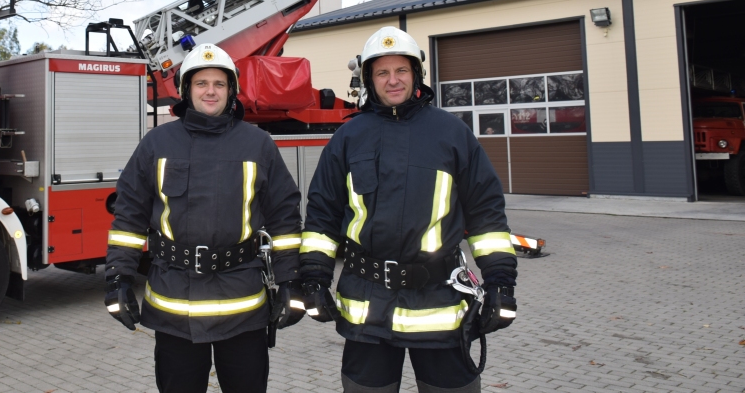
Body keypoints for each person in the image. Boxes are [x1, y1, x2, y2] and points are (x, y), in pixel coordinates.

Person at [299, 26, 518, 393]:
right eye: (382, 72)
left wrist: (501, 283)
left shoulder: (451, 133)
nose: (393, 80)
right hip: (366, 305)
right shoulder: (348, 138)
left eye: (401, 70)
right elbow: (322, 215)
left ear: (416, 74)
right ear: (369, 79)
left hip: (440, 303)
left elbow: (486, 214)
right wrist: (314, 280)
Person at [104, 43, 305, 393]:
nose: (210, 91)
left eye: (219, 83)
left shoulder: (258, 145)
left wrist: (290, 282)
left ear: (232, 91)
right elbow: (129, 215)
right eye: (201, 83)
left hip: (243, 304)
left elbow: (284, 217)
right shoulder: (157, 143)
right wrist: (118, 278)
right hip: (173, 303)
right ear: (186, 90)